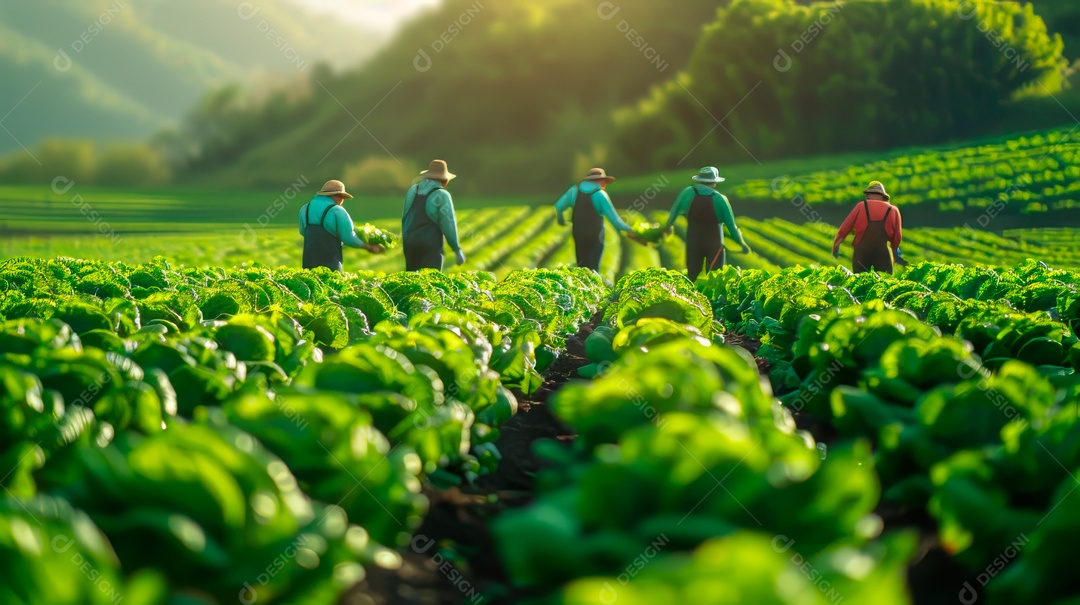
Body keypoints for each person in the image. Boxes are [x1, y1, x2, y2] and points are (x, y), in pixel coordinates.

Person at [664, 166, 752, 282]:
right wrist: (742, 244)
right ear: (714, 182)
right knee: (716, 278)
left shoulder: (687, 193)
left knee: (692, 276)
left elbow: (674, 210)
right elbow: (732, 227)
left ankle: (690, 298)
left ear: (699, 180)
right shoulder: (720, 199)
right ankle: (714, 300)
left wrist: (668, 226)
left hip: (693, 240)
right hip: (714, 243)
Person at [555, 168, 644, 272]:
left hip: (578, 233)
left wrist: (560, 219)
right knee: (593, 267)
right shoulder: (600, 194)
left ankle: (581, 284)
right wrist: (633, 232)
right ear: (601, 181)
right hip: (595, 235)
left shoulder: (574, 190)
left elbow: (559, 207)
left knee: (581, 265)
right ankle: (593, 285)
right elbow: (615, 221)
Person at [299, 179, 384, 271]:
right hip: (331, 263)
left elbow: (302, 232)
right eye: (343, 198)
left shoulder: (304, 209)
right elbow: (348, 238)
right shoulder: (337, 211)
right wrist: (368, 247)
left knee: (311, 283)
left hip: (308, 262)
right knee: (332, 283)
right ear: (338, 196)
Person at [402, 159, 465, 271]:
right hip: (430, 246)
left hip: (410, 244)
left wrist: (407, 241)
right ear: (444, 179)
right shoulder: (442, 195)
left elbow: (405, 219)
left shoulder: (412, 190)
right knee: (430, 282)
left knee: (412, 282)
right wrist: (457, 249)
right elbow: (448, 224)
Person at [832, 181, 906, 274]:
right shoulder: (893, 210)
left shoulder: (861, 206)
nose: (867, 196)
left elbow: (845, 227)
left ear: (879, 195)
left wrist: (836, 245)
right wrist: (895, 250)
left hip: (862, 252)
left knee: (859, 280)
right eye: (867, 194)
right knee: (885, 280)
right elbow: (897, 236)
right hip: (882, 253)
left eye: (870, 194)